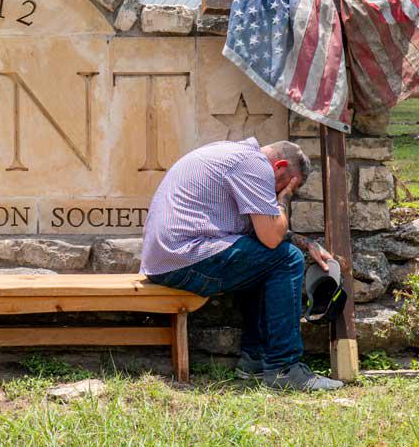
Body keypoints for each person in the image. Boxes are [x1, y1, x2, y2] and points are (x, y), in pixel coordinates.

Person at [140, 137, 344, 391]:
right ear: (279, 166)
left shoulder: (231, 155)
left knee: (263, 261)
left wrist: (307, 243)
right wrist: (285, 199)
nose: (277, 194)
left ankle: (255, 361)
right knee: (287, 259)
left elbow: (259, 236)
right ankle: (284, 368)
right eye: (283, 185)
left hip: (169, 259)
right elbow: (271, 238)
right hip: (185, 256)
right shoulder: (254, 164)